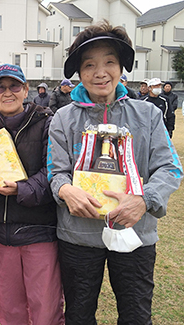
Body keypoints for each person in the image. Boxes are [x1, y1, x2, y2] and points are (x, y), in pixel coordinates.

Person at [48, 20, 183, 324]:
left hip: (135, 233)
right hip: (78, 235)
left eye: (110, 61)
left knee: (136, 315)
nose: (100, 72)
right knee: (79, 315)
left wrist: (144, 200)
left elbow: (170, 167)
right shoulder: (63, 118)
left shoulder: (147, 114)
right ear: (79, 73)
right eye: (90, 64)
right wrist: (65, 190)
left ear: (122, 67)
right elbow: (55, 172)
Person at [0, 63, 64, 325]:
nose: (7, 93)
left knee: (45, 308)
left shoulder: (47, 122)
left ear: (26, 89)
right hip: (0, 234)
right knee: (9, 309)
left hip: (39, 230)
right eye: (0, 87)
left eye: (14, 86)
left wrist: (22, 189)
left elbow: (53, 170)